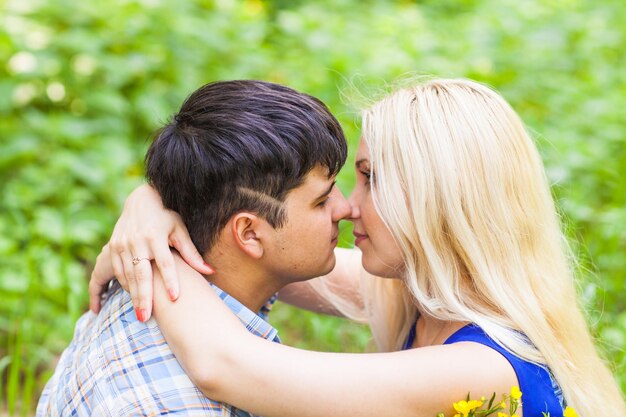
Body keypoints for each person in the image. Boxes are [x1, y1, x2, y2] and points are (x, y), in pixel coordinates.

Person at [90, 79, 626, 416]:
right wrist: (154, 202)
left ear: (439, 203)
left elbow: (227, 367)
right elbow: (246, 249)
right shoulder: (428, 293)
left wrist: (150, 252)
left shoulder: (480, 367)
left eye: (370, 179)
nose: (348, 206)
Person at [36, 80, 353, 416]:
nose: (345, 209)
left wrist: (146, 197)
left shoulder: (146, 274)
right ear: (249, 234)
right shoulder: (177, 407)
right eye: (322, 200)